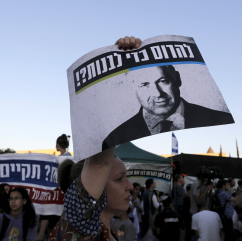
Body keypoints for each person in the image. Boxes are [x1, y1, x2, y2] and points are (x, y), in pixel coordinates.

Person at [48, 36, 141, 241]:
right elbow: (100, 162)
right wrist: (122, 67)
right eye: (119, 179)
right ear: (94, 187)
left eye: (125, 177)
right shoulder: (79, 226)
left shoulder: (108, 232)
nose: (129, 186)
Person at [103, 64, 234, 148]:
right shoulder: (115, 139)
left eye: (163, 81)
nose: (157, 93)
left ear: (177, 79)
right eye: (144, 84)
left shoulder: (222, 121)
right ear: (131, 89)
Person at [36, 133, 71, 240]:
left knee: (47, 209)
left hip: (59, 191)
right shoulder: (68, 157)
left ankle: (42, 234)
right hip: (61, 191)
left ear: (58, 144)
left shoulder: (61, 158)